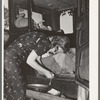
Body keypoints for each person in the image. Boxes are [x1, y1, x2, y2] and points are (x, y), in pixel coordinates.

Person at [4, 31, 70, 100]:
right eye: (56, 49)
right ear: (56, 42)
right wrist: (46, 72)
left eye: (56, 53)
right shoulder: (46, 44)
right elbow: (29, 61)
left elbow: (37, 59)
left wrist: (44, 71)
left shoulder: (43, 38)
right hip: (10, 60)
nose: (53, 52)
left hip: (6, 56)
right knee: (19, 91)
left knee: (10, 89)